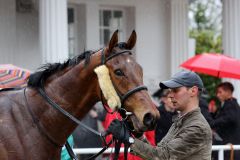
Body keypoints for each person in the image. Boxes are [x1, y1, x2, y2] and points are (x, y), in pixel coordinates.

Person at [106, 70, 212, 160]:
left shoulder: (198, 127)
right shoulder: (181, 120)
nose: (170, 95)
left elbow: (162, 156)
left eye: (175, 90)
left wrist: (128, 139)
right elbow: (158, 151)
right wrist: (137, 133)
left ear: (193, 91)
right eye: (170, 91)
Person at [210, 82, 240, 160]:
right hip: (226, 146)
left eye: (220, 92)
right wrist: (213, 113)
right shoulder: (226, 104)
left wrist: (212, 124)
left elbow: (229, 118)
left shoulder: (231, 105)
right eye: (217, 92)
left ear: (228, 92)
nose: (217, 95)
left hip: (228, 147)